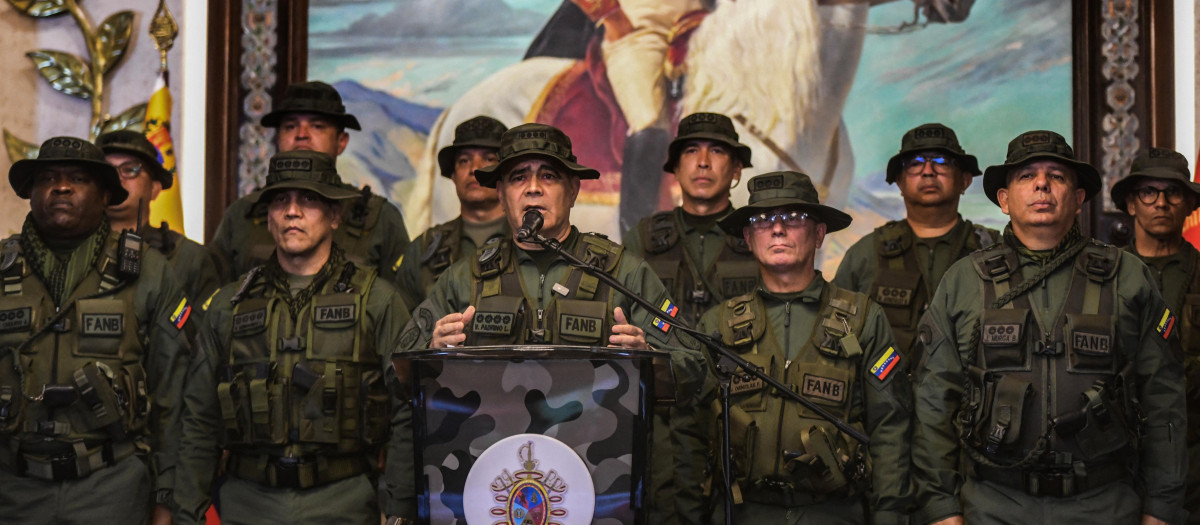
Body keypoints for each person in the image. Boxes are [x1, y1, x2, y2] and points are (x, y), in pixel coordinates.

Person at [400, 123, 710, 523]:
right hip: (493, 494)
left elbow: (695, 367)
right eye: (517, 178)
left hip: (602, 495)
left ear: (573, 190)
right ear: (502, 193)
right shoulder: (465, 279)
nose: (533, 188)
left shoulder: (623, 273)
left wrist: (650, 357)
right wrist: (432, 350)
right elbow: (399, 376)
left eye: (548, 176)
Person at [911, 130, 1187, 525]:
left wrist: (1161, 508)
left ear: (1078, 199)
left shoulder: (1128, 277)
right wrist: (941, 508)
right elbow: (934, 402)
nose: (1041, 184)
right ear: (1004, 200)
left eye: (1057, 176)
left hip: (1105, 504)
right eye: (1026, 176)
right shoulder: (963, 282)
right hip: (992, 505)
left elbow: (1164, 398)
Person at [172, 150, 416, 525]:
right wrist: (187, 512)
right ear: (268, 218)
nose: (292, 211)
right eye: (280, 200)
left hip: (344, 503)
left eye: (309, 200)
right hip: (247, 504)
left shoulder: (377, 300)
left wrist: (399, 510)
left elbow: (406, 412)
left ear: (334, 215)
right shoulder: (228, 306)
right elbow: (199, 419)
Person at [696, 171, 912, 524]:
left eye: (793, 218)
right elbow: (693, 432)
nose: (777, 229)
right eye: (762, 219)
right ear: (748, 237)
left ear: (819, 233)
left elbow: (890, 427)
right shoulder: (717, 325)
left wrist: (890, 515)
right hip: (741, 512)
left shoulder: (863, 319)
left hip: (834, 513)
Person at [0, 136, 192, 523]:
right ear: (31, 193)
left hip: (111, 489)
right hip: (13, 490)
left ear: (106, 196)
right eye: (49, 177)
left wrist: (167, 498)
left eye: (78, 178)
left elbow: (174, 395)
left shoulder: (148, 271)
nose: (62, 186)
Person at [209, 80, 411, 282]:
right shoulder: (243, 215)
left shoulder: (379, 219)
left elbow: (402, 305)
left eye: (317, 126)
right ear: (278, 139)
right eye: (290, 126)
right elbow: (215, 302)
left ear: (341, 142)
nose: (302, 135)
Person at [833, 123, 996, 362]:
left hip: (971, 394)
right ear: (899, 182)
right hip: (885, 393)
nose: (928, 171)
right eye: (915, 163)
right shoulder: (867, 254)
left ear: (965, 180)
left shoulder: (992, 250)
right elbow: (836, 329)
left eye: (941, 161)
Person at [1109, 147, 1200, 523]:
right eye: (1149, 192)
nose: (1161, 203)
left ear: (1189, 205)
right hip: (1118, 457)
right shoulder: (1103, 277)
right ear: (1131, 204)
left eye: (1173, 193)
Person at [624, 112, 756, 326]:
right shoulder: (642, 238)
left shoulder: (759, 237)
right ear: (675, 168)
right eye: (692, 151)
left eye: (717, 151)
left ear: (736, 170)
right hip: (661, 359)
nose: (703, 162)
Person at [97, 129, 224, 305]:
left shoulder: (189, 258)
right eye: (109, 171)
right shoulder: (71, 249)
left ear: (155, 188)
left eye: (131, 169)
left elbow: (206, 329)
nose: (118, 179)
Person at [393, 115, 509, 307]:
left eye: (489, 159)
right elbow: (400, 329)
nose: (475, 168)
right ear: (453, 175)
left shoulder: (534, 243)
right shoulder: (424, 250)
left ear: (507, 174)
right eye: (464, 161)